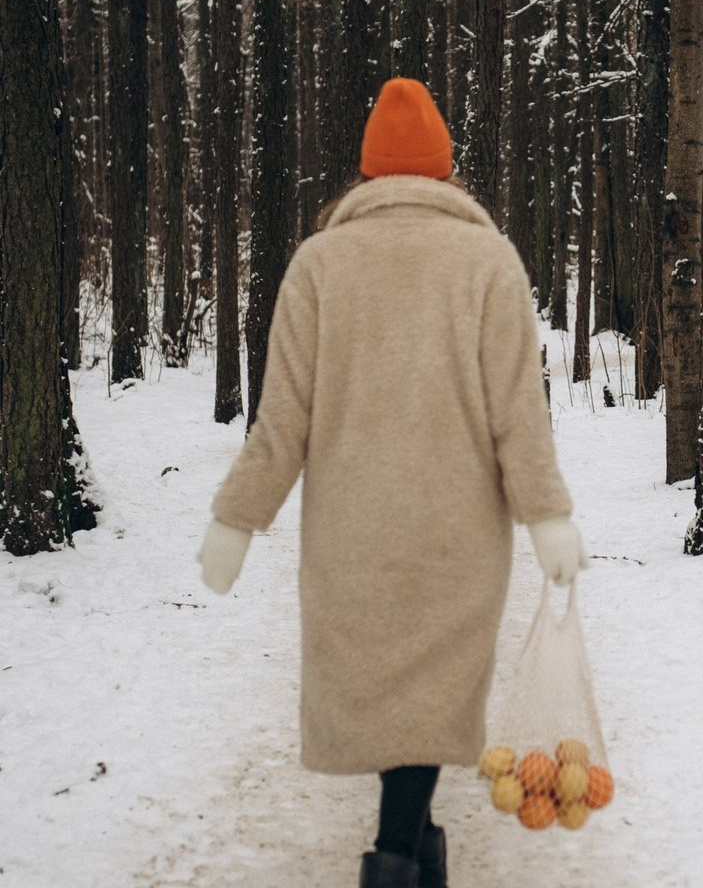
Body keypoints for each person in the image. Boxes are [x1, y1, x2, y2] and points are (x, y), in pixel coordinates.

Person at [196, 77, 587, 888]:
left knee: (394, 699)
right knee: (427, 699)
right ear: (445, 171)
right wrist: (547, 515)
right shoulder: (488, 260)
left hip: (351, 538)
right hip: (459, 537)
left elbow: (282, 421)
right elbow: (519, 414)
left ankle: (408, 850)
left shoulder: (319, 264)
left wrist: (236, 520)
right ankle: (403, 857)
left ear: (367, 172)